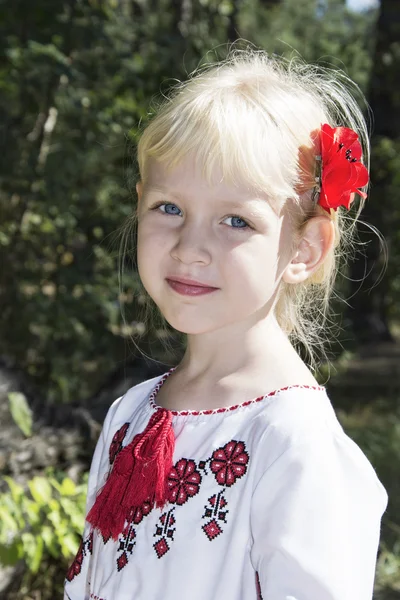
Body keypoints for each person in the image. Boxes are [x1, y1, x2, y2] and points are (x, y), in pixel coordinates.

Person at [64, 48, 388, 600]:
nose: (191, 247)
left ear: (304, 248)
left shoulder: (292, 443)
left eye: (235, 220)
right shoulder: (132, 410)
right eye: (169, 208)